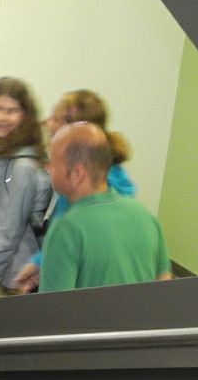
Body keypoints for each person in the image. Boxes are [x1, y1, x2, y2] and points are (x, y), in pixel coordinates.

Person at [16, 91, 136, 292]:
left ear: (72, 134)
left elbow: (72, 243)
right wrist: (40, 262)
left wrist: (46, 266)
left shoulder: (85, 190)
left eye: (55, 119)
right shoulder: (78, 181)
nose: (47, 123)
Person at [40, 122, 172, 292]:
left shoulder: (66, 229)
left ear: (77, 174)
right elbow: (164, 283)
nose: (48, 168)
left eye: (53, 163)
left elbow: (55, 305)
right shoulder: (145, 216)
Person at [0, 77, 51, 290]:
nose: (0, 117)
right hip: (1, 277)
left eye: (12, 111)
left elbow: (7, 235)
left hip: (21, 281)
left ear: (26, 117)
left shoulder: (23, 166)